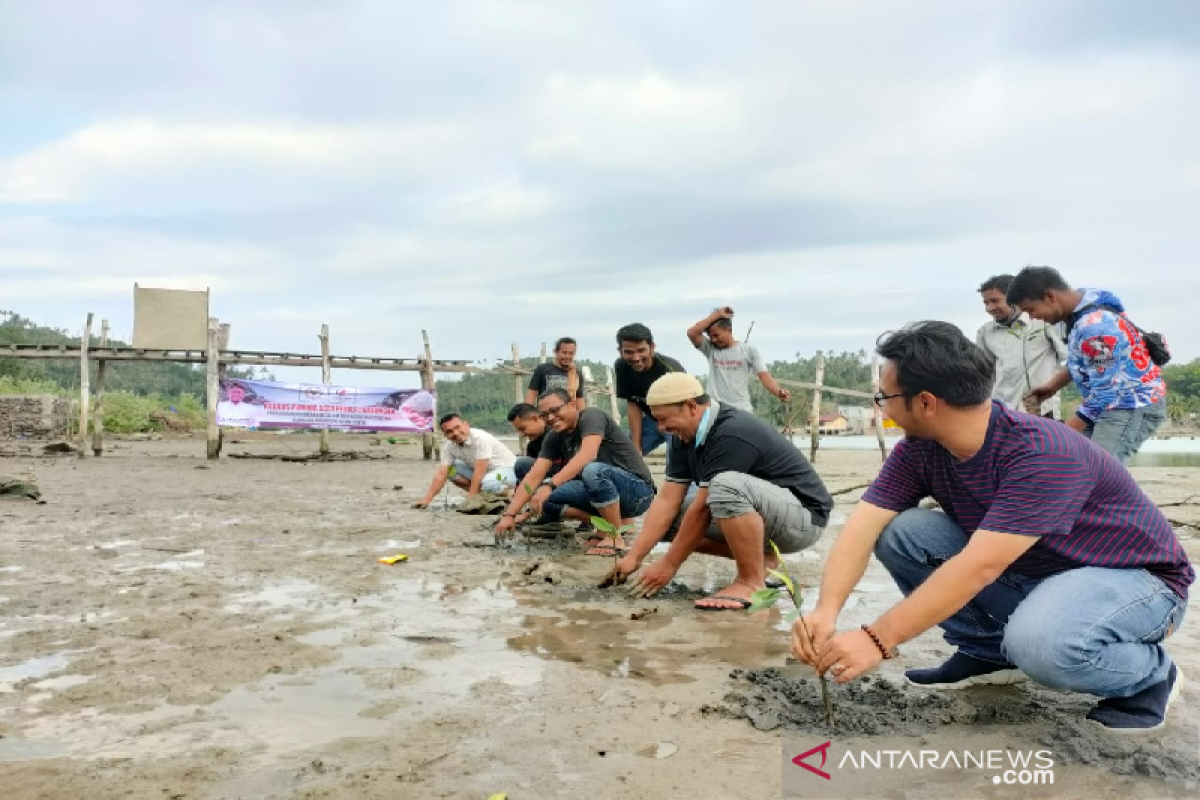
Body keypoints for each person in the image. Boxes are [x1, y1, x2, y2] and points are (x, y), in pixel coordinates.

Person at [791, 321, 1192, 734]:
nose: (881, 408)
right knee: (903, 532)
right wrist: (825, 611)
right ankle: (987, 652)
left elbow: (978, 568)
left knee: (1041, 643)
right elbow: (863, 525)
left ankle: (1150, 677)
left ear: (926, 402)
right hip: (1040, 573)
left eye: (885, 397)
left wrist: (877, 639)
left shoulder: (1040, 453)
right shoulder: (921, 449)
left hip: (1138, 582)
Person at [612, 374, 832, 611]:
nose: (661, 428)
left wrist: (668, 564)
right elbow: (668, 499)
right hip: (764, 514)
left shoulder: (731, 431)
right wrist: (634, 557)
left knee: (724, 486)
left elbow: (703, 509)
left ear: (690, 406)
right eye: (657, 421)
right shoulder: (682, 437)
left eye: (664, 419)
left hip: (803, 520)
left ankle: (750, 581)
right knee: (671, 520)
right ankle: (762, 561)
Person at [1007, 266, 1168, 463]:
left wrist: (1063, 434)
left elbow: (1107, 392)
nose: (1032, 318)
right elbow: (1083, 361)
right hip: (1105, 404)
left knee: (1100, 475)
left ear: (1050, 297)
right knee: (1075, 467)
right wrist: (1051, 387)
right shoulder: (1079, 308)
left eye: (1031, 310)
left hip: (1129, 404)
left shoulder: (1096, 327)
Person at [495, 389, 655, 554]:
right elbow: (534, 475)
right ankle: (603, 527)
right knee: (544, 500)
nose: (550, 418)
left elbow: (588, 453)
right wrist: (510, 515)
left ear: (572, 404)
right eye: (544, 415)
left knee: (592, 470)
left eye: (555, 410)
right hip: (599, 491)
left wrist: (550, 485)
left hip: (637, 492)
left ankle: (614, 536)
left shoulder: (591, 416)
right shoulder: (554, 437)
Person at [974, 275, 1065, 419]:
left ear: (1013, 299)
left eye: (995, 301)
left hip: (1040, 411)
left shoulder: (1042, 323)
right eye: (986, 303)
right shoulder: (985, 332)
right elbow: (983, 373)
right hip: (1002, 412)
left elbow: (1070, 360)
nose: (990, 308)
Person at [686, 307, 791, 413]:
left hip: (740, 411)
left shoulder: (748, 350)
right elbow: (692, 333)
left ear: (729, 330)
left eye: (716, 335)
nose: (713, 339)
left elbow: (764, 376)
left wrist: (778, 392)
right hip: (715, 410)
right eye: (710, 336)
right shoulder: (711, 349)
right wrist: (717, 315)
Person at [413, 414, 517, 508]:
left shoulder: (480, 438)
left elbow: (479, 472)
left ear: (466, 425)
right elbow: (441, 473)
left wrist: (469, 500)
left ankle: (510, 493)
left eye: (457, 427)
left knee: (489, 482)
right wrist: (426, 500)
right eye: (449, 431)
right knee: (450, 470)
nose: (455, 433)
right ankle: (482, 496)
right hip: (485, 473)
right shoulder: (449, 447)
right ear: (445, 435)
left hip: (508, 470)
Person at [613, 323, 685, 455]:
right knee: (624, 456)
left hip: (677, 420)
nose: (636, 358)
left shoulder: (669, 369)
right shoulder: (622, 366)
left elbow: (687, 409)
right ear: (620, 351)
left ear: (652, 347)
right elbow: (633, 404)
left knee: (677, 462)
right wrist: (636, 447)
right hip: (652, 420)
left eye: (641, 350)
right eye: (629, 352)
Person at [526, 337, 585, 410]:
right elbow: (532, 393)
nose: (567, 356)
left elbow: (579, 399)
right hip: (545, 415)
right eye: (564, 352)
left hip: (567, 417)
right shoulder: (542, 369)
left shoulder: (576, 374)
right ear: (556, 352)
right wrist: (527, 413)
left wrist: (582, 417)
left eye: (571, 353)